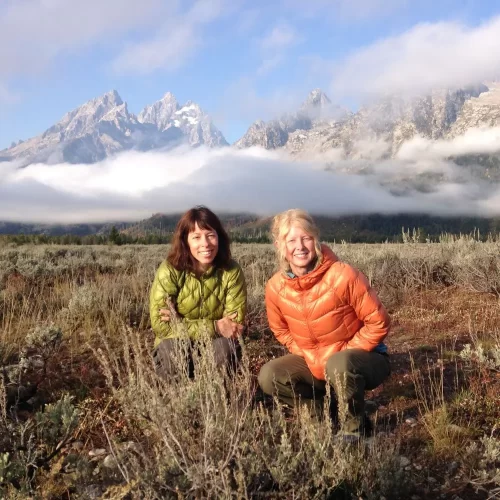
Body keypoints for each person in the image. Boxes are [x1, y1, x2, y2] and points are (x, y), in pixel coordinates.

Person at [258, 209, 390, 440]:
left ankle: (355, 430)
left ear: (316, 239)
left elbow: (378, 323)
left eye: (306, 238)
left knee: (339, 363)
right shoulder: (275, 287)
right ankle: (323, 413)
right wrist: (308, 354)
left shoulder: (343, 275)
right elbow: (280, 330)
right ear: (280, 245)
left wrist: (341, 352)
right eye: (291, 240)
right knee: (270, 376)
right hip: (314, 362)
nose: (300, 246)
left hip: (366, 359)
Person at [149, 206, 246, 379]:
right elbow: (161, 326)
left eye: (210, 235)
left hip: (214, 346)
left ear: (219, 238)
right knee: (171, 349)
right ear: (185, 241)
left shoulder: (231, 271)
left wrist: (180, 322)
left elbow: (233, 326)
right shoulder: (170, 270)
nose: (205, 244)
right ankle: (176, 402)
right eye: (196, 237)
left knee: (225, 348)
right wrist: (215, 326)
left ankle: (218, 401)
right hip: (177, 344)